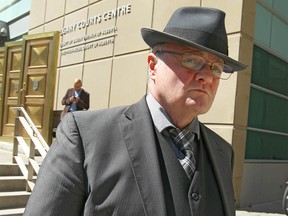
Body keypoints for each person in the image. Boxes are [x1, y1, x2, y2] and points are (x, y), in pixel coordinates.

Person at [24, 7, 247, 216]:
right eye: (192, 60)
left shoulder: (223, 153)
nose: (207, 76)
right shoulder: (83, 137)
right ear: (152, 66)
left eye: (216, 68)